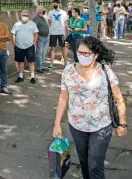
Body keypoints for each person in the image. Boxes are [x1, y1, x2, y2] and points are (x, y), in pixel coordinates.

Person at [53, 36, 127, 179]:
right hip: (77, 125)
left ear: (96, 55)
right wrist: (57, 124)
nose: (82, 56)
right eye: (80, 53)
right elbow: (63, 97)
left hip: (101, 126)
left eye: (87, 54)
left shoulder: (105, 71)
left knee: (95, 165)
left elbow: (118, 98)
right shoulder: (68, 71)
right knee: (84, 162)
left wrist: (122, 123)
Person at [11, 10, 39, 84]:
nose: (25, 17)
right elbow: (13, 34)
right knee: (20, 62)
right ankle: (20, 76)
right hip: (19, 46)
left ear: (28, 16)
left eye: (26, 15)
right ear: (21, 16)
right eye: (24, 15)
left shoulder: (32, 24)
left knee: (31, 61)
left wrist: (34, 42)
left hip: (30, 46)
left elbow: (36, 33)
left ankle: (32, 77)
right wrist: (14, 44)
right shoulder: (16, 24)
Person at [48, 0, 68, 69]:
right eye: (53, 4)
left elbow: (66, 23)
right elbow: (49, 22)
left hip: (61, 32)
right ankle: (51, 64)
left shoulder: (64, 13)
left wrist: (66, 33)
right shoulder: (50, 12)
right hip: (53, 33)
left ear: (59, 4)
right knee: (52, 48)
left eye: (55, 4)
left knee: (63, 48)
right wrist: (49, 31)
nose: (54, 5)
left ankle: (65, 63)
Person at [33, 6, 49, 73]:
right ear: (39, 11)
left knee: (44, 53)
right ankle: (38, 67)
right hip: (40, 38)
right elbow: (34, 29)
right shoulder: (36, 18)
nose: (44, 11)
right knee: (39, 53)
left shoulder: (43, 17)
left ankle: (42, 66)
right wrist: (38, 36)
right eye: (43, 10)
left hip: (46, 37)